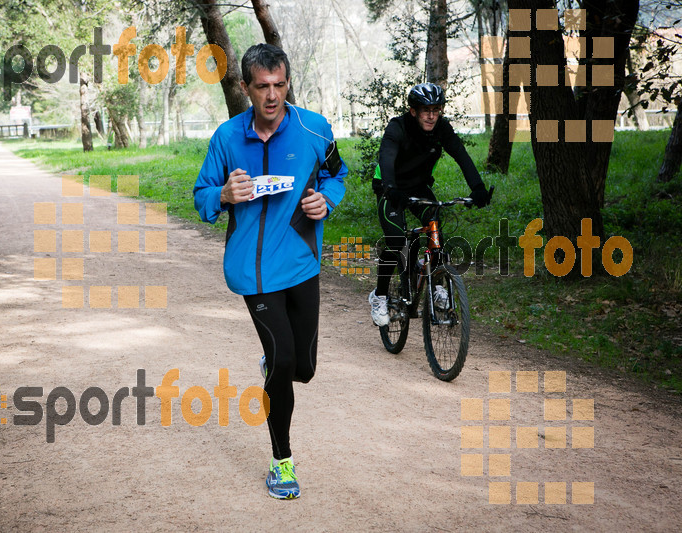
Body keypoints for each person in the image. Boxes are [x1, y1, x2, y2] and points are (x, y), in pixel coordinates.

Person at [194, 43, 346, 500]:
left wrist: (328, 199)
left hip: (301, 263)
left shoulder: (313, 129)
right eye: (263, 87)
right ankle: (282, 462)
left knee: (304, 368)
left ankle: (275, 366)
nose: (273, 96)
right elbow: (200, 197)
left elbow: (337, 174)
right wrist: (223, 196)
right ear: (245, 88)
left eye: (280, 85)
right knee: (282, 363)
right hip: (253, 271)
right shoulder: (226, 138)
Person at [368, 82, 492, 327]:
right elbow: (387, 157)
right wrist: (391, 189)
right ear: (413, 111)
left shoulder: (441, 128)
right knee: (396, 242)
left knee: (435, 227)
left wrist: (477, 189)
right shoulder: (398, 126)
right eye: (426, 110)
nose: (431, 115)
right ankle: (379, 296)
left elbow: (462, 156)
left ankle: (437, 284)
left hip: (418, 187)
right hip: (390, 186)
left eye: (436, 110)